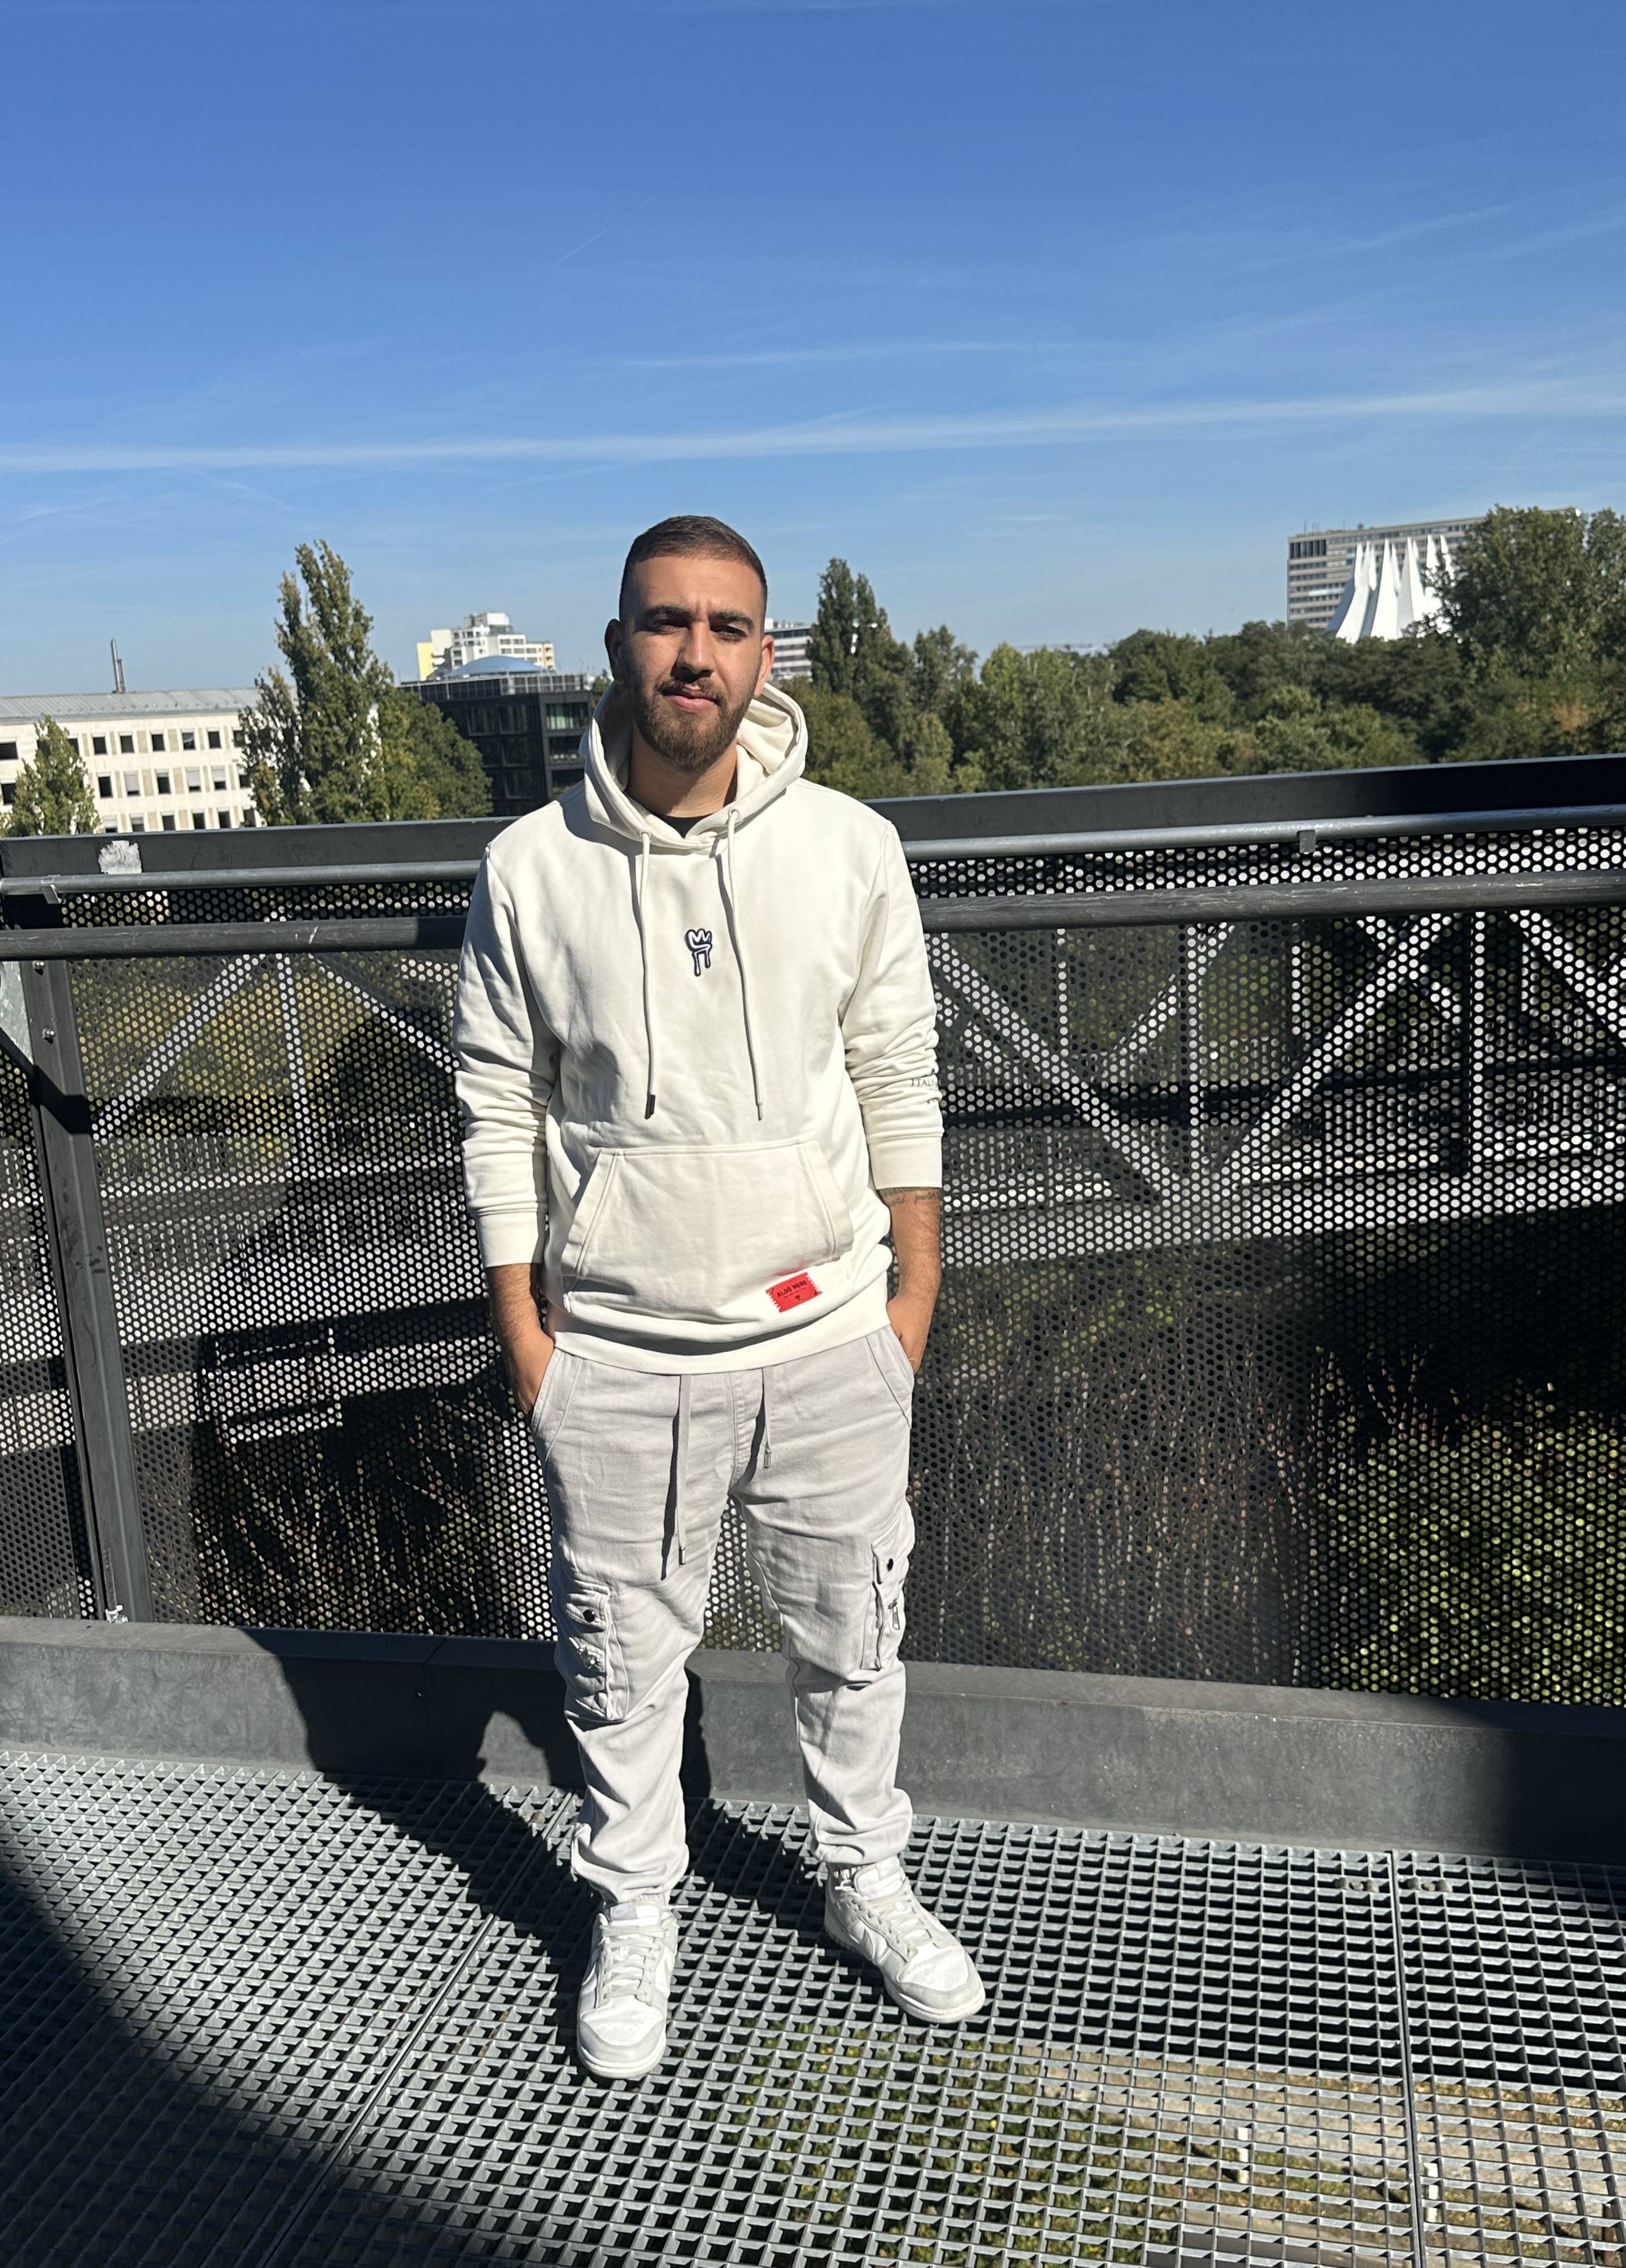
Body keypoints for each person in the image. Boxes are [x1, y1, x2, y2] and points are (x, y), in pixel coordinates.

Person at [453, 514, 984, 2081]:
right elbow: (496, 1107)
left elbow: (898, 1070)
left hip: (832, 1334)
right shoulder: (529, 869)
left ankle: (861, 1876)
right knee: (619, 1664)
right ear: (619, 643)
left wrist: (913, 1292)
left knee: (853, 1639)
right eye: (667, 622)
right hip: (616, 1354)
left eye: (727, 627)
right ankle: (635, 1906)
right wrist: (530, 1339)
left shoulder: (850, 847)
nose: (696, 655)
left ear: (764, 654)